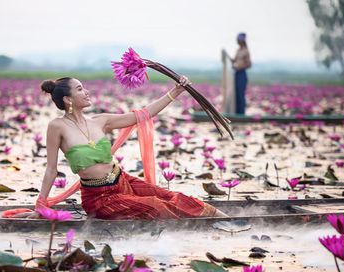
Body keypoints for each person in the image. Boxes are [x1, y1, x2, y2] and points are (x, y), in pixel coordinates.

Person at [15, 76, 228, 220]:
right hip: (99, 198)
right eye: (80, 89)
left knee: (170, 196)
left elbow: (144, 114)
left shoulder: (101, 121)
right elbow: (51, 169)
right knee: (154, 205)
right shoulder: (57, 127)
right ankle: (192, 226)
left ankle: (225, 219)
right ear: (68, 99)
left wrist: (176, 90)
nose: (87, 92)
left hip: (123, 181)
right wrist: (41, 204)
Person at [228, 33, 252, 115]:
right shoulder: (238, 50)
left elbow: (249, 64)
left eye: (239, 40)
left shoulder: (246, 51)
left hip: (242, 73)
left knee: (241, 94)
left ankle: (241, 113)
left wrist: (240, 67)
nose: (238, 41)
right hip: (236, 73)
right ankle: (237, 113)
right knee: (236, 94)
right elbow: (234, 61)